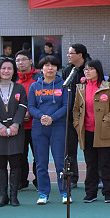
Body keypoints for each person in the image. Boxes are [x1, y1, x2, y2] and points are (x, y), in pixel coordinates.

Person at [0, 58, 27, 207]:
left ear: (14, 71)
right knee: (1, 165)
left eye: (9, 68)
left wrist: (15, 124)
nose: (6, 71)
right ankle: (3, 197)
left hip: (16, 131)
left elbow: (22, 107)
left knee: (15, 164)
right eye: (3, 68)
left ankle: (14, 196)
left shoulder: (19, 88)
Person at [73, 60, 110, 203]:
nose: (87, 72)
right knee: (90, 164)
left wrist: (107, 119)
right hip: (86, 131)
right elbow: (76, 109)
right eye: (85, 69)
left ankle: (108, 192)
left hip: (103, 130)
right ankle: (91, 193)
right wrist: (77, 124)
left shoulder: (108, 86)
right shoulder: (80, 88)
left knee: (105, 163)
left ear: (98, 71)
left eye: (90, 69)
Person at [27, 55, 68, 205]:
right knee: (40, 162)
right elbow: (31, 106)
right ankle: (43, 193)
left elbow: (66, 106)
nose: (50, 68)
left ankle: (65, 192)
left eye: (53, 65)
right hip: (39, 128)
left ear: (57, 68)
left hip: (58, 127)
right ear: (41, 68)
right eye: (47, 65)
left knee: (60, 163)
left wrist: (52, 118)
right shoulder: (34, 86)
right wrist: (41, 116)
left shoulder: (64, 85)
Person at [62, 43, 90, 189]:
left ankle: (94, 178)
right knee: (70, 148)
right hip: (70, 115)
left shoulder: (90, 68)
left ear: (80, 55)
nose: (68, 56)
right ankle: (72, 177)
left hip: (88, 114)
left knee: (90, 148)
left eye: (71, 53)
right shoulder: (68, 70)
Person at [15, 50, 41, 190]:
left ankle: (39, 181)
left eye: (24, 59)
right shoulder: (13, 79)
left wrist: (31, 113)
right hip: (19, 126)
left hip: (36, 124)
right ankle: (22, 181)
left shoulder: (39, 78)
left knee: (38, 155)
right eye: (18, 60)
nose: (21, 63)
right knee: (20, 155)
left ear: (31, 61)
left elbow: (42, 99)